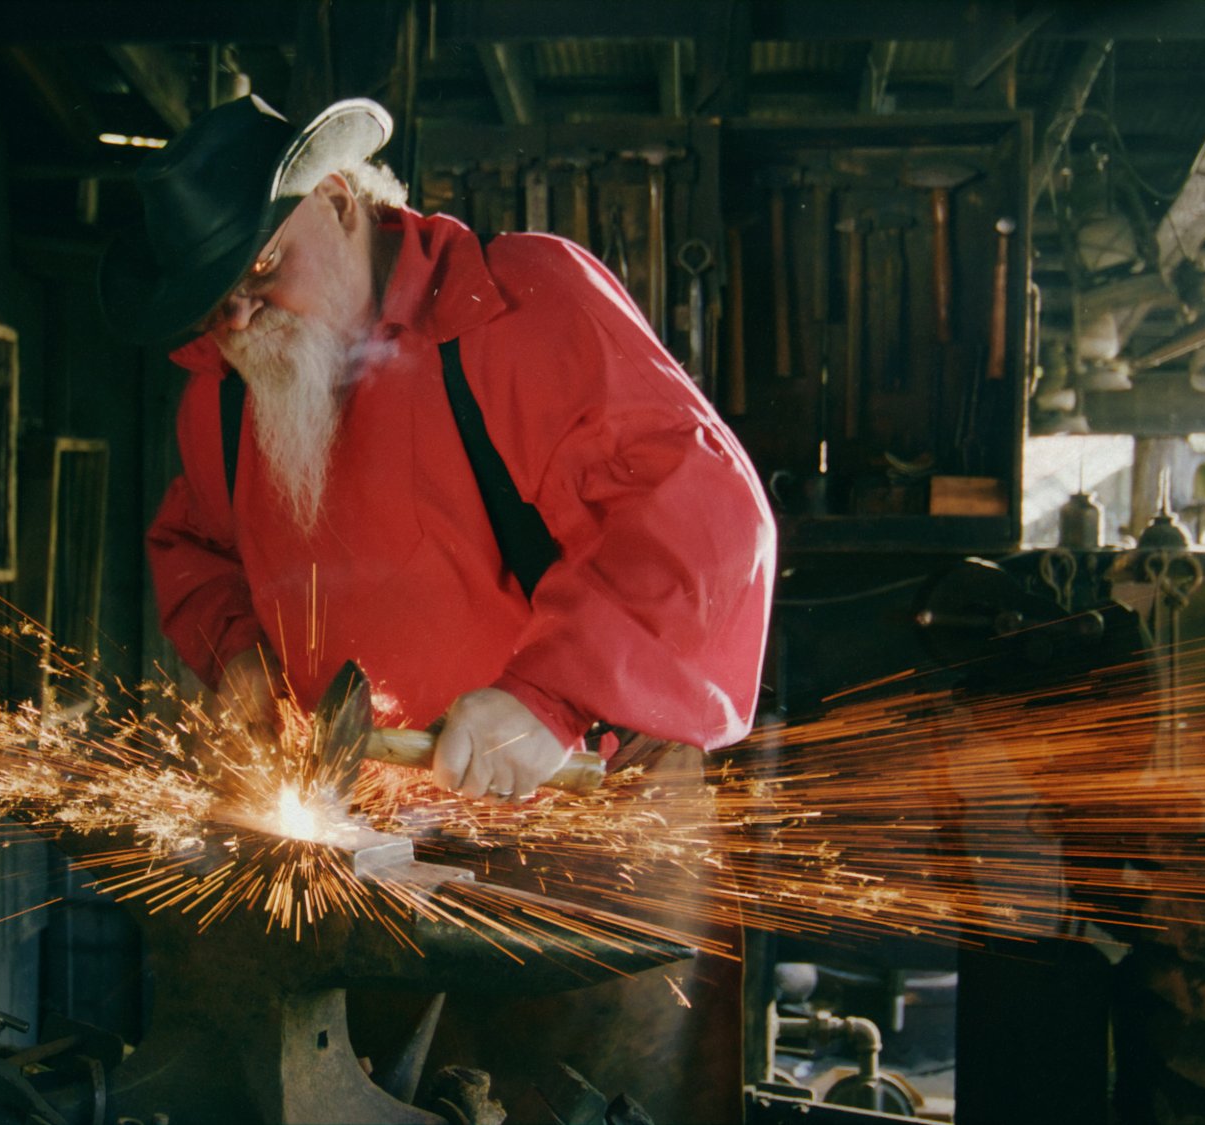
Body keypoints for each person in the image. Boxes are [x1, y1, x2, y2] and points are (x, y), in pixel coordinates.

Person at [100, 94, 774, 1121]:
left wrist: (547, 696)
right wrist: (240, 664)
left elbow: (701, 515)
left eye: (259, 273)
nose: (236, 320)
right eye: (212, 304)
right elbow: (194, 549)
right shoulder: (227, 391)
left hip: (581, 829)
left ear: (333, 200)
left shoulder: (520, 305)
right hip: (367, 857)